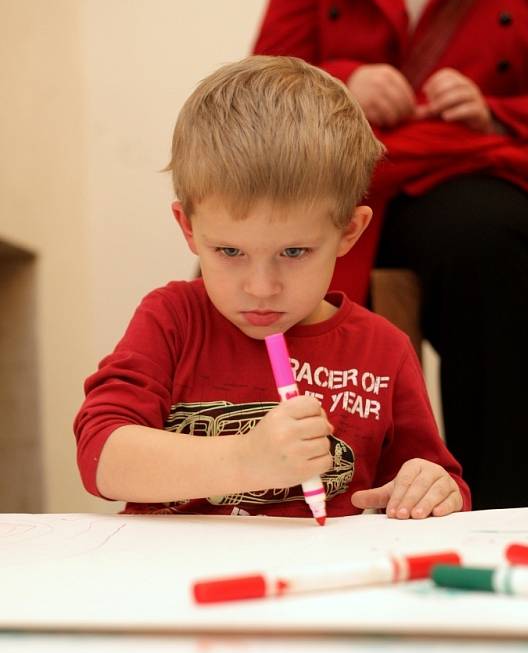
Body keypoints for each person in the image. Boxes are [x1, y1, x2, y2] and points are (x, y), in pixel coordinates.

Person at [74, 55, 470, 519]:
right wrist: (244, 461)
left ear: (348, 231)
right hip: (172, 585)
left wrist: (433, 489)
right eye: (229, 252)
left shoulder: (383, 351)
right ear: (188, 228)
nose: (261, 288)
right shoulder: (172, 319)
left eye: (294, 253)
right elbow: (100, 454)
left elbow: (437, 484)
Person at [253, 0, 528, 510]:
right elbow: (264, 80)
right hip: (341, 175)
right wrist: (341, 84)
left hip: (471, 165)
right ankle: (292, 498)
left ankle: (505, 508)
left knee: (489, 241)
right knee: (258, 253)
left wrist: (494, 111)